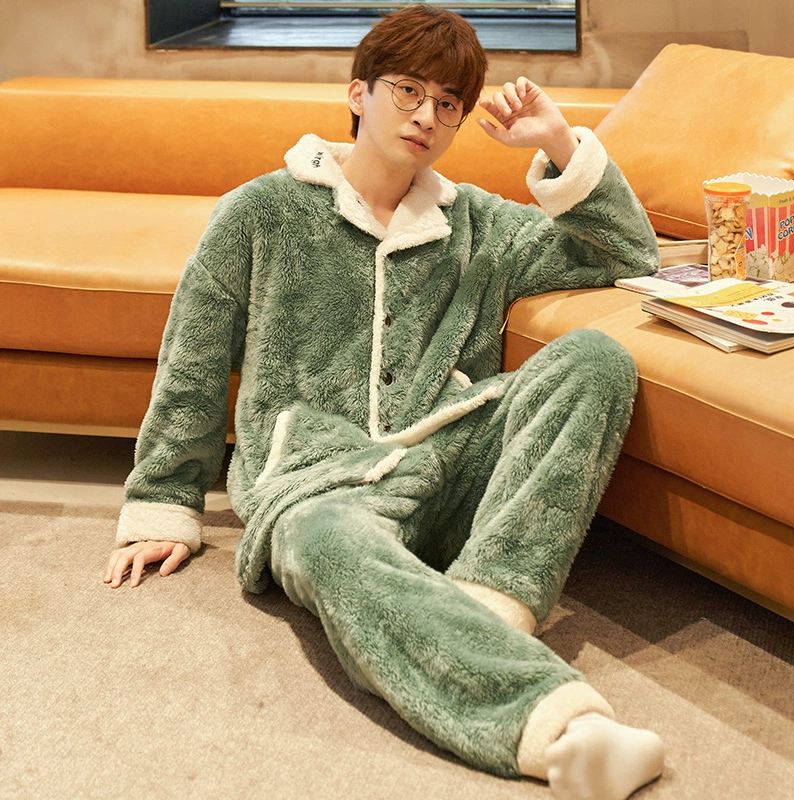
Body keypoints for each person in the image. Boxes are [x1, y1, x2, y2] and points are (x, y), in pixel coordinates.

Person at [104, 5, 665, 798]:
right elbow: (192, 361)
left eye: (448, 104)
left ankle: (488, 600)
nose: (426, 116)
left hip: (447, 460)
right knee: (330, 543)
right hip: (318, 484)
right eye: (408, 90)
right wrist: (163, 504)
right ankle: (560, 733)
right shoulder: (260, 214)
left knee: (597, 359)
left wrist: (560, 144)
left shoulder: (478, 225)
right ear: (358, 93)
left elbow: (627, 254)